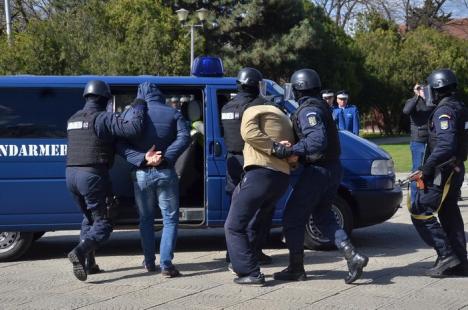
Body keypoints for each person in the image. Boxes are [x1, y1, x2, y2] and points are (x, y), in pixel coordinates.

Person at [271, 69, 368, 284]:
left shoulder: (309, 111)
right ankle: (353, 256)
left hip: (318, 171)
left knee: (292, 218)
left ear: (298, 88)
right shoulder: (320, 106)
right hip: (331, 169)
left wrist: (290, 150)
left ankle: (296, 268)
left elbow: (317, 140)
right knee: (323, 216)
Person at [66, 80, 147, 281]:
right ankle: (81, 251)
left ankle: (89, 264)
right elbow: (133, 128)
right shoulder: (102, 118)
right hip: (92, 176)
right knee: (104, 222)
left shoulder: (73, 118)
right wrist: (138, 104)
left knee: (89, 219)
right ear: (105, 99)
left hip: (71, 176)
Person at [118, 82, 190, 277]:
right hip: (166, 171)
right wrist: (165, 157)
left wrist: (142, 159)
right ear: (159, 94)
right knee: (170, 219)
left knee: (146, 219)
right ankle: (166, 265)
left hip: (141, 174)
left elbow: (119, 143)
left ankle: (149, 262)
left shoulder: (130, 114)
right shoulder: (172, 112)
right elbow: (185, 137)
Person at [224, 102, 296, 285]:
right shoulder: (284, 118)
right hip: (281, 178)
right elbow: (293, 154)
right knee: (254, 223)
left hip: (260, 174)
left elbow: (248, 133)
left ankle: (250, 272)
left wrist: (274, 147)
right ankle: (253, 259)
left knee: (233, 226)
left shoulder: (252, 110)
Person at [409, 68, 467, 277]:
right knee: (449, 213)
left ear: (437, 89)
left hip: (444, 170)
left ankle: (446, 255)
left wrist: (426, 167)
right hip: (454, 167)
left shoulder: (445, 111)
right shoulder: (458, 105)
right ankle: (460, 261)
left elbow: (445, 145)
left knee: (420, 210)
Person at [220, 67, 273, 265]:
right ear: (255, 85)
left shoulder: (227, 107)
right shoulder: (260, 105)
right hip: (252, 162)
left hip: (232, 163)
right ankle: (252, 252)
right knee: (258, 209)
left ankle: (232, 252)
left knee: (234, 210)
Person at [402, 83, 434, 205]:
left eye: (424, 89)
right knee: (417, 170)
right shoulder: (412, 101)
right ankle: (415, 200)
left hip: (430, 139)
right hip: (418, 140)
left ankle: (426, 198)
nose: (422, 91)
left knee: (429, 169)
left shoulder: (430, 101)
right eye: (419, 89)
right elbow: (406, 111)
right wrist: (417, 96)